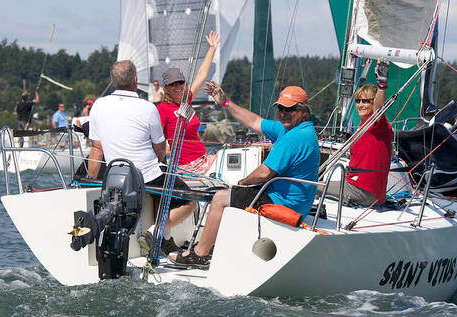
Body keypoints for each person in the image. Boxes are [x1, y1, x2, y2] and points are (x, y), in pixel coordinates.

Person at [171, 83, 320, 269]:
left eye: (289, 109)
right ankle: (214, 245)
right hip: (291, 199)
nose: (283, 113)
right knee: (233, 194)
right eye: (280, 108)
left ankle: (200, 254)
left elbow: (264, 173)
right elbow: (253, 121)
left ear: (303, 111)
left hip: (283, 203)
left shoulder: (293, 138)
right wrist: (224, 102)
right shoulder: (295, 129)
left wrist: (242, 183)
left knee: (220, 197)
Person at [87, 60, 197, 256]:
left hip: (115, 175)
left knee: (161, 191)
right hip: (146, 176)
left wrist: (92, 184)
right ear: (135, 80)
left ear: (112, 81)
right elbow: (160, 148)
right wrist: (159, 163)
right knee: (190, 201)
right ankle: (155, 232)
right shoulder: (147, 108)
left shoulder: (98, 105)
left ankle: (163, 239)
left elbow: (96, 149)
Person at [157, 31, 220, 173]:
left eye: (180, 82)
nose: (178, 86)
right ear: (166, 88)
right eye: (173, 84)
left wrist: (212, 49)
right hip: (186, 166)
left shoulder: (186, 100)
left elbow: (201, 76)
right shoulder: (162, 109)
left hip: (203, 158)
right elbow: (156, 141)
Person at [344, 60, 393, 206]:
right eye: (358, 101)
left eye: (366, 101)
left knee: (311, 186)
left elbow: (379, 109)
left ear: (373, 102)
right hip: (358, 186)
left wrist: (382, 84)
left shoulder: (377, 124)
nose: (360, 105)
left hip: (364, 191)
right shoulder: (363, 125)